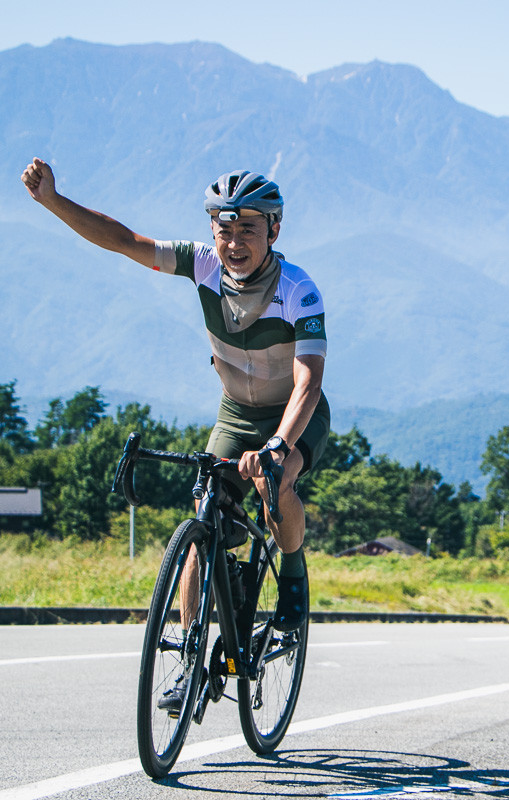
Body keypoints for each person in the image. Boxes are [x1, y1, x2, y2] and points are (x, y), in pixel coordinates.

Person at [21, 159, 329, 706]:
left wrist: (279, 444)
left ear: (274, 230)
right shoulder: (202, 264)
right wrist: (53, 200)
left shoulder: (299, 290)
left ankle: (294, 578)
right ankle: (191, 659)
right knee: (202, 519)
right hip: (235, 414)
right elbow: (123, 240)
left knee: (275, 485)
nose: (234, 243)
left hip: (293, 412)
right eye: (224, 230)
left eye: (248, 231)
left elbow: (308, 380)